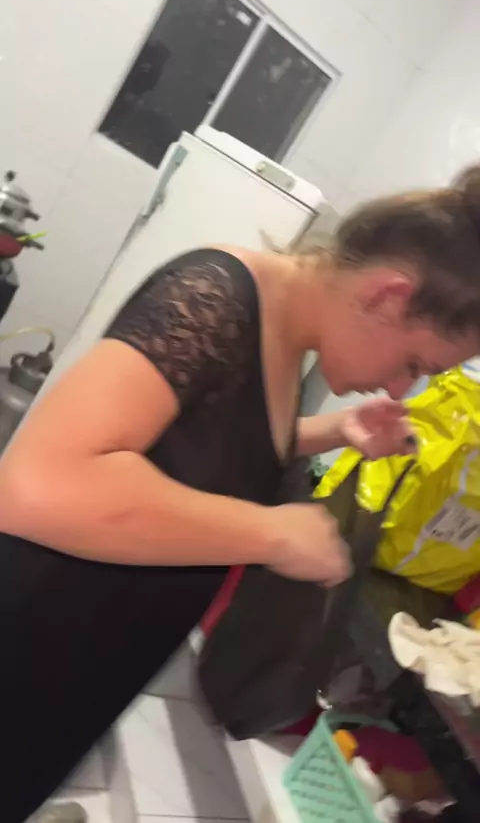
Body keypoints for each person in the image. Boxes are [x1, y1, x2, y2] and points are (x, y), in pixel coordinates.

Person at [1, 166, 480, 822]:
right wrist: (271, 533)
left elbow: (205, 446)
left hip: (88, 651)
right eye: (415, 365)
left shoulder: (283, 329)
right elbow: (40, 483)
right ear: (388, 295)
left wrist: (334, 430)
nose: (402, 389)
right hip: (29, 639)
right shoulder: (216, 296)